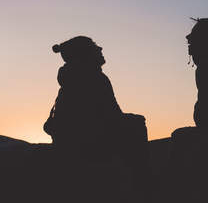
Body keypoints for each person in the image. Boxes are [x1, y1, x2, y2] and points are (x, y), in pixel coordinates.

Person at [44, 36, 148, 165]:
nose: (100, 48)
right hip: (87, 141)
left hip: (67, 139)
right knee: (137, 123)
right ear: (84, 53)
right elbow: (112, 116)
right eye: (94, 46)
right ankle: (142, 179)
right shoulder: (95, 77)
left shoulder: (70, 76)